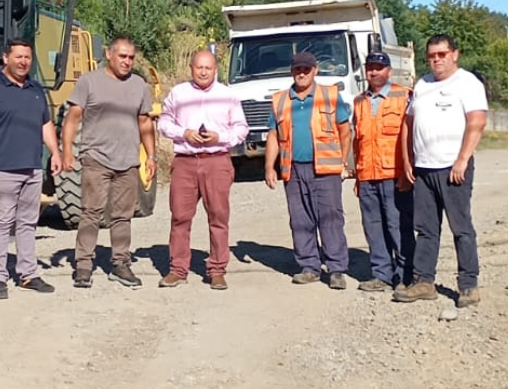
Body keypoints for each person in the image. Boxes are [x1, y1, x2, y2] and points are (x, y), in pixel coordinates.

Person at [393, 34, 488, 308]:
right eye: (432, 56)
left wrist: (462, 159)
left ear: (454, 54)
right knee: (425, 229)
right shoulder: (422, 84)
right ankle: (424, 282)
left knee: (461, 228)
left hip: (453, 168)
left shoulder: (467, 83)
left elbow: (477, 122)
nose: (436, 60)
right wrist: (408, 161)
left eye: (442, 54)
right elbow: (408, 124)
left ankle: (469, 285)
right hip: (423, 168)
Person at [0, 38, 63, 300]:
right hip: (2, 168)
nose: (23, 62)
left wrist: (55, 152)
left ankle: (28, 274)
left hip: (32, 168)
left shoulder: (35, 89)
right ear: (5, 58)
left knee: (28, 223)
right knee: (1, 222)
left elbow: (45, 124)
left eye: (27, 58)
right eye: (18, 57)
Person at [62, 36, 156, 289]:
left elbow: (145, 123)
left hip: (128, 161)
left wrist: (151, 156)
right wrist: (67, 151)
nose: (127, 61)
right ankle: (83, 266)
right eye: (122, 56)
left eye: (131, 57)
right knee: (91, 213)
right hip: (96, 158)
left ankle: (120, 264)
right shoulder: (89, 82)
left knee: (123, 216)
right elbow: (72, 118)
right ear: (109, 54)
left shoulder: (139, 85)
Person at [157, 49, 249, 290]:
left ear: (215, 70)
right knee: (180, 217)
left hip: (217, 160)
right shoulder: (178, 93)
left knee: (218, 216)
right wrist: (184, 133)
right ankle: (178, 269)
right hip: (185, 161)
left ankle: (217, 269)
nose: (204, 72)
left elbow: (241, 129)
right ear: (191, 68)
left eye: (208, 68)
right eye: (199, 67)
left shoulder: (227, 95)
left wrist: (220, 137)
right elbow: (163, 122)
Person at [264, 51, 353, 289]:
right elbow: (273, 135)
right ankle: (309, 266)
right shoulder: (280, 100)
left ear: (316, 70)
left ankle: (336, 269)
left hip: (326, 169)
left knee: (331, 218)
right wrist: (269, 167)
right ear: (291, 72)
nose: (301, 73)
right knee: (300, 219)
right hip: (293, 169)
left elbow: (345, 131)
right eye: (297, 70)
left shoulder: (330, 95)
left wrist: (343, 162)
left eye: (306, 69)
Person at [351, 51, 415, 293]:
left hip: (394, 175)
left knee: (398, 226)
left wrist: (408, 172)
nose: (374, 72)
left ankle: (405, 275)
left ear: (389, 71)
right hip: (367, 175)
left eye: (379, 67)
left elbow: (411, 138)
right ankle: (381, 274)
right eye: (370, 68)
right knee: (373, 227)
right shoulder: (359, 101)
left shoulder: (404, 95)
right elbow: (358, 141)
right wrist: (357, 175)